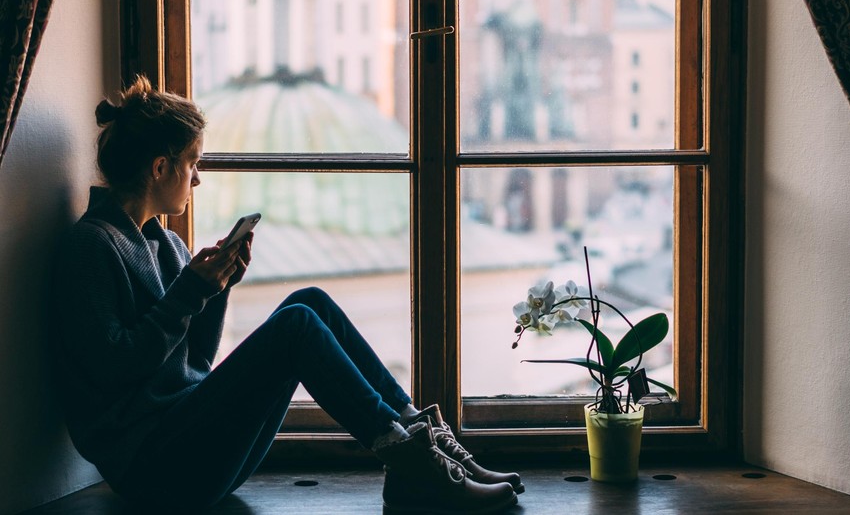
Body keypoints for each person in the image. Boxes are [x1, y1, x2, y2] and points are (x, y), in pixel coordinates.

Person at [52, 76, 523, 513]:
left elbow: (193, 362)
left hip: (188, 444)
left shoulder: (166, 243)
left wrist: (217, 289)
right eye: (193, 164)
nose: (197, 179)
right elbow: (115, 369)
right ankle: (409, 463)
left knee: (309, 300)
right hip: (153, 470)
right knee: (295, 326)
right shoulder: (92, 245)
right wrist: (192, 292)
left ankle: (424, 442)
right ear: (160, 167)